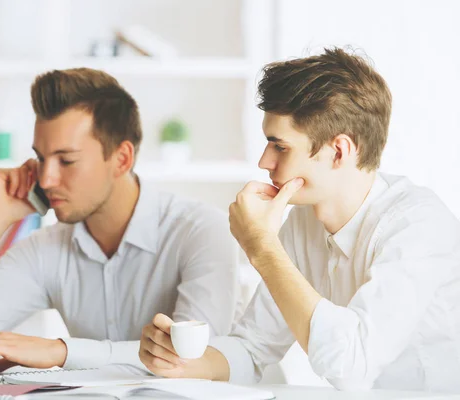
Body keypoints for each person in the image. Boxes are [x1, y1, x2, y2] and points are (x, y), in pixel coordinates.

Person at [139, 48, 460, 392]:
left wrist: (262, 248)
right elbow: (253, 346)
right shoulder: (303, 223)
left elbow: (351, 368)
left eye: (280, 146)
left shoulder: (418, 226)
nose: (264, 161)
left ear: (339, 151)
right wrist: (184, 363)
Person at [0, 68, 238, 374]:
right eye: (41, 158)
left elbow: (194, 362)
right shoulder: (45, 249)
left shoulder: (201, 231)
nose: (46, 177)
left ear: (122, 158)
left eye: (66, 160)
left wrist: (62, 352)